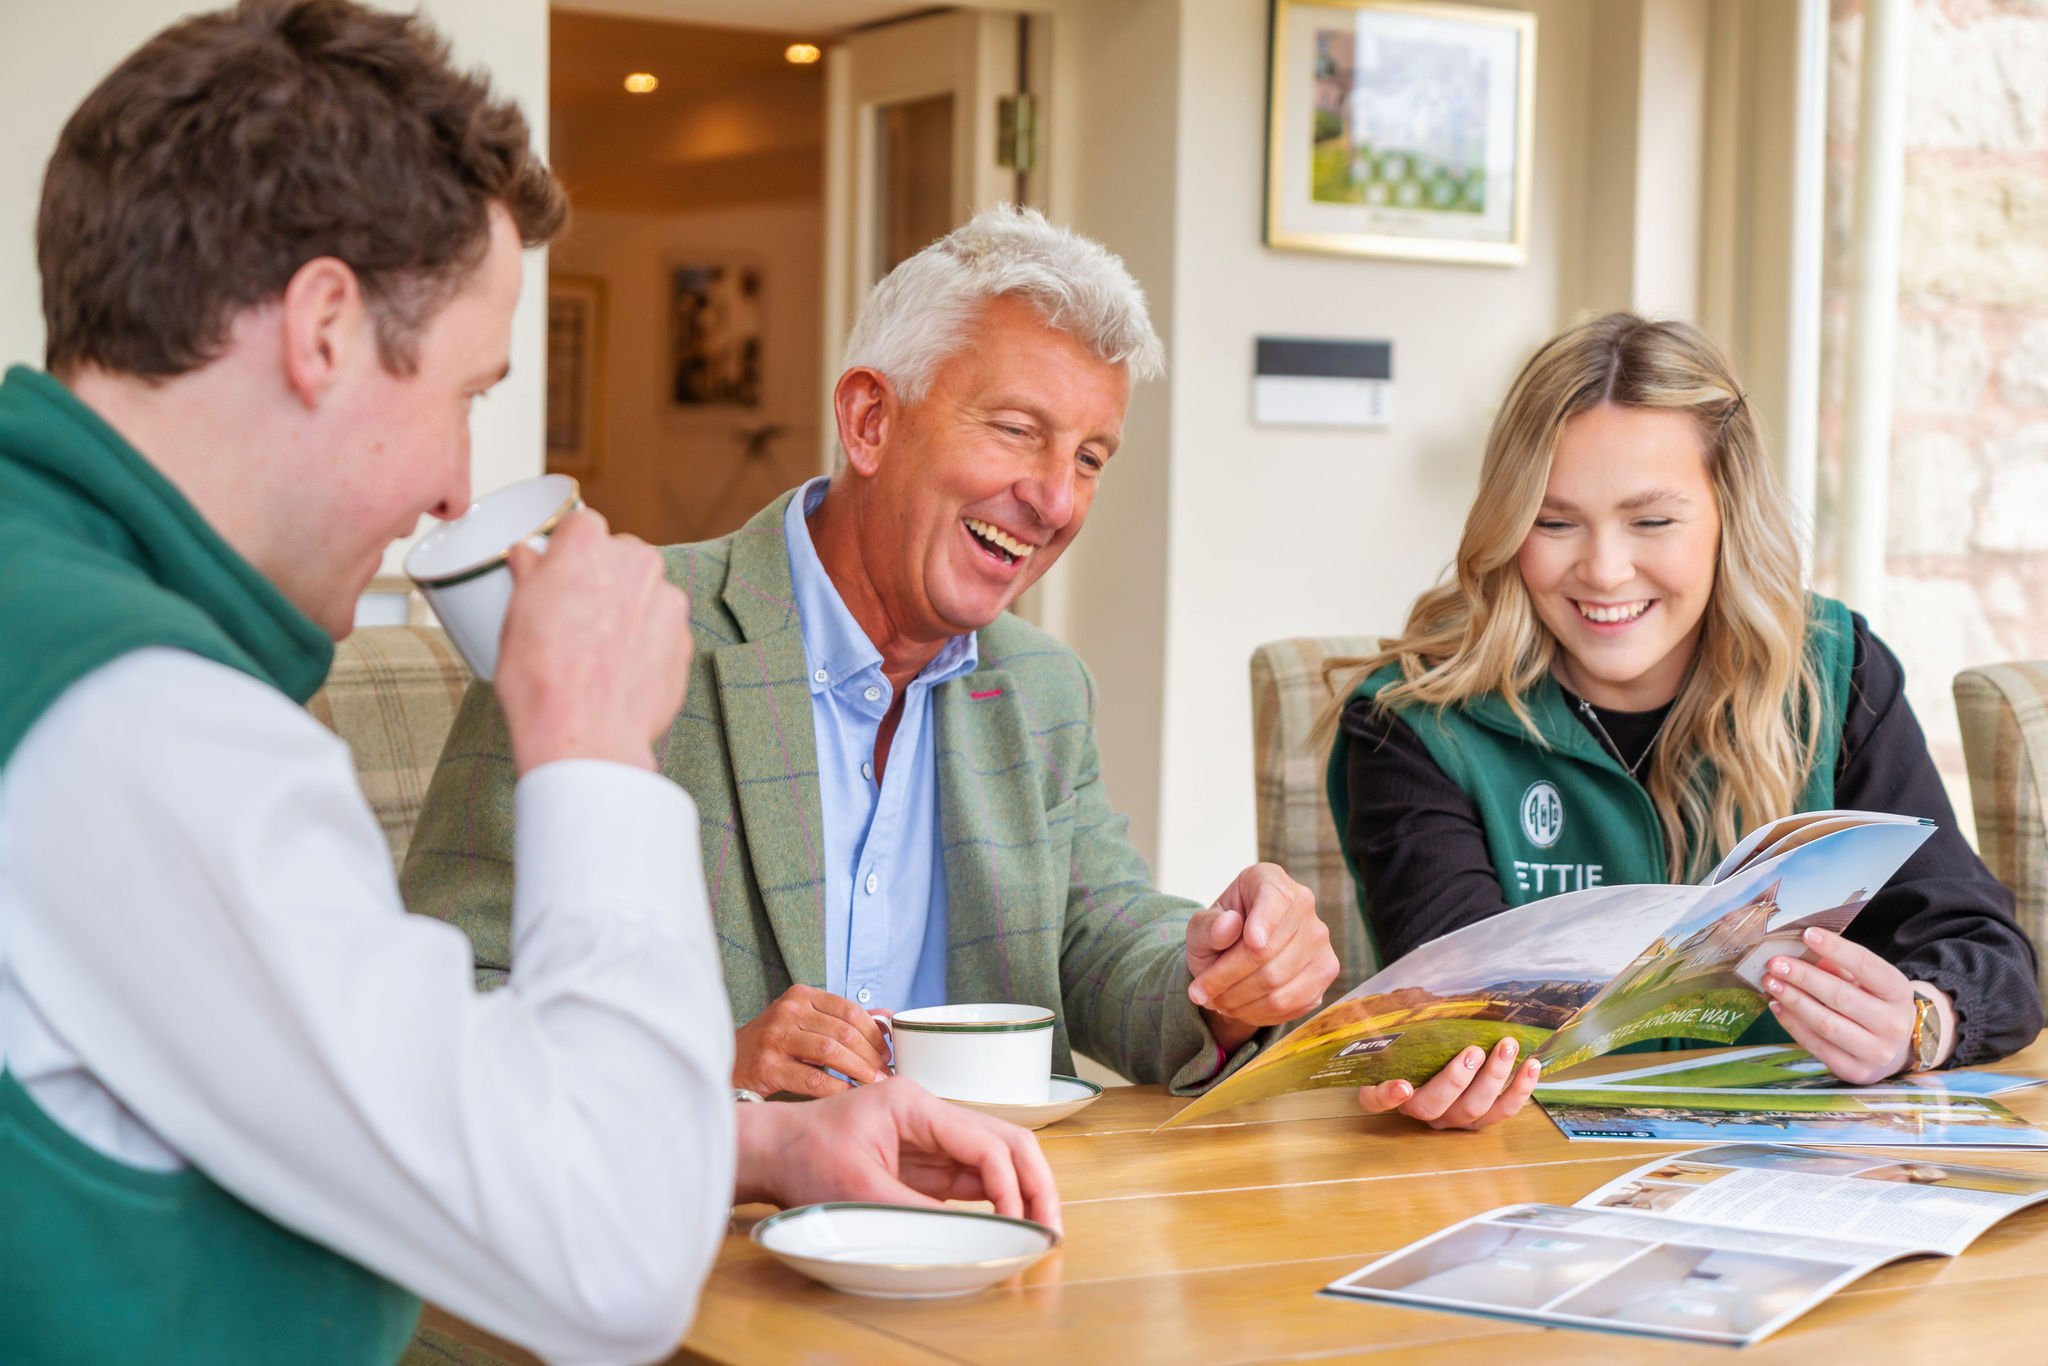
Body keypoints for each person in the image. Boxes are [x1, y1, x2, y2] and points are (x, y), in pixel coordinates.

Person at [0, 5, 1054, 1363]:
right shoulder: (143, 724)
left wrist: (770, 1140)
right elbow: (608, 1265)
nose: (453, 480)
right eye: (463, 391)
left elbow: (356, 1088)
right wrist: (597, 750)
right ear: (324, 325)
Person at [406, 207, 1340, 1099]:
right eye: (1017, 431)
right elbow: (443, 1001)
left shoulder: (1042, 685)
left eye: (1091, 457)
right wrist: (711, 1063)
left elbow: (1094, 939)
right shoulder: (611, 629)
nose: (1057, 501)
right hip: (705, 1225)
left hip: (985, 1219)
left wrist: (1220, 967)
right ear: (869, 421)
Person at [1325, 313, 2042, 1131]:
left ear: (1727, 516)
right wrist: (1447, 1067)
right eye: (1554, 522)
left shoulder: (1834, 673)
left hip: (1803, 1173)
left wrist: (1919, 1021)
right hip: (1522, 1176)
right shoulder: (1413, 723)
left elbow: (1989, 955)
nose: (1601, 569)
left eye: (1652, 522)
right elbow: (1462, 1020)